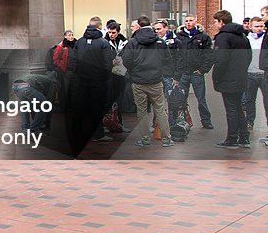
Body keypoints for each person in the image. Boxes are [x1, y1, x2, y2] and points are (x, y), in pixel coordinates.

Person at [121, 16, 173, 148]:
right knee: (160, 109)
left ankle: (145, 139)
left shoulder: (132, 42)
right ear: (150, 24)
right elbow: (167, 60)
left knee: (142, 111)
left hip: (138, 81)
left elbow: (126, 60)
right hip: (156, 81)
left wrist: (133, 71)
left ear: (138, 25)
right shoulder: (160, 42)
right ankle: (166, 139)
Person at [211, 10, 252, 149]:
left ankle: (232, 139)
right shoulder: (242, 36)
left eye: (216, 21)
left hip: (228, 79)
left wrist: (216, 78)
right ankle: (244, 137)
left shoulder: (223, 37)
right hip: (240, 77)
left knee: (231, 109)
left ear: (221, 22)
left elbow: (220, 59)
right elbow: (249, 56)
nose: (214, 24)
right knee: (239, 107)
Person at [71, 19, 114, 149]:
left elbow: (74, 60)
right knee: (97, 107)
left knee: (80, 107)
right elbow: (108, 62)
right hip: (98, 80)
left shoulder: (79, 42)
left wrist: (76, 74)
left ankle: (77, 132)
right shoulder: (103, 42)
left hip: (82, 79)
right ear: (99, 27)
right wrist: (106, 76)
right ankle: (98, 133)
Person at [175, 15, 214, 129]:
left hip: (197, 73)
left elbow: (209, 55)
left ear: (196, 21)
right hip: (183, 74)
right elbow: (176, 55)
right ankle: (181, 121)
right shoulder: (179, 37)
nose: (188, 22)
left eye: (191, 20)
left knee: (201, 99)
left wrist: (203, 70)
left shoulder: (203, 37)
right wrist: (177, 74)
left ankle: (206, 121)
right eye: (186, 21)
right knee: (182, 99)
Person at [242, 16, 266, 129]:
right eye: (256, 26)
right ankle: (250, 121)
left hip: (264, 74)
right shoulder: (247, 39)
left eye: (261, 26)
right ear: (251, 27)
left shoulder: (265, 39)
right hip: (250, 73)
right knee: (249, 100)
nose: (259, 28)